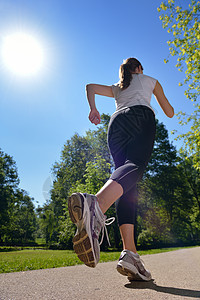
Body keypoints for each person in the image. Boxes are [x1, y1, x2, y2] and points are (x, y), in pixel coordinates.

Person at [68, 57, 174, 281]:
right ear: (139, 69)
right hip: (141, 118)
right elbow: (170, 112)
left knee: (125, 184)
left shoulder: (118, 87)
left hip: (115, 124)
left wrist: (93, 109)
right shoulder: (149, 80)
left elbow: (90, 87)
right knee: (135, 167)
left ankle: (130, 254)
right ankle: (95, 205)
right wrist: (161, 98)